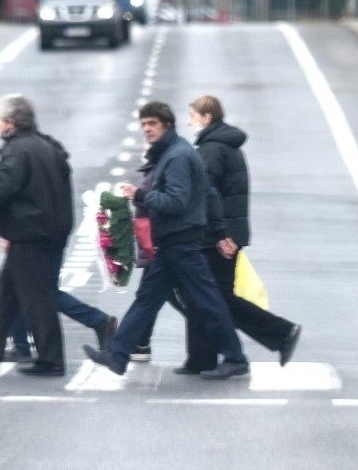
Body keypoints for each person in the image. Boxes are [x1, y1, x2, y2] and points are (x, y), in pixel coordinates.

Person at [132, 95, 301, 372]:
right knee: (202, 296)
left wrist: (219, 233)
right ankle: (201, 358)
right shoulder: (223, 147)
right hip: (225, 232)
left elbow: (207, 196)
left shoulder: (210, 151)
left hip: (217, 236)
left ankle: (280, 333)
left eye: (193, 115)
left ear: (207, 118)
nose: (189, 122)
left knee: (215, 298)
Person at [83, 101, 249, 380]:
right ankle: (118, 354)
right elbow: (207, 194)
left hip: (181, 242)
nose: (146, 129)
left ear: (167, 125)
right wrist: (219, 231)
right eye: (144, 124)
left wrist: (139, 195)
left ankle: (235, 357)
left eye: (152, 124)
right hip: (173, 243)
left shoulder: (177, 157)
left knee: (208, 300)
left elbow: (175, 201)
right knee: (148, 299)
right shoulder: (174, 152)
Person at [0, 94, 72, 377]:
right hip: (47, 230)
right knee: (6, 296)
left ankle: (52, 359)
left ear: (10, 122)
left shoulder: (18, 149)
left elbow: (2, 189)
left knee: (36, 299)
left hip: (29, 233)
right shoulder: (46, 145)